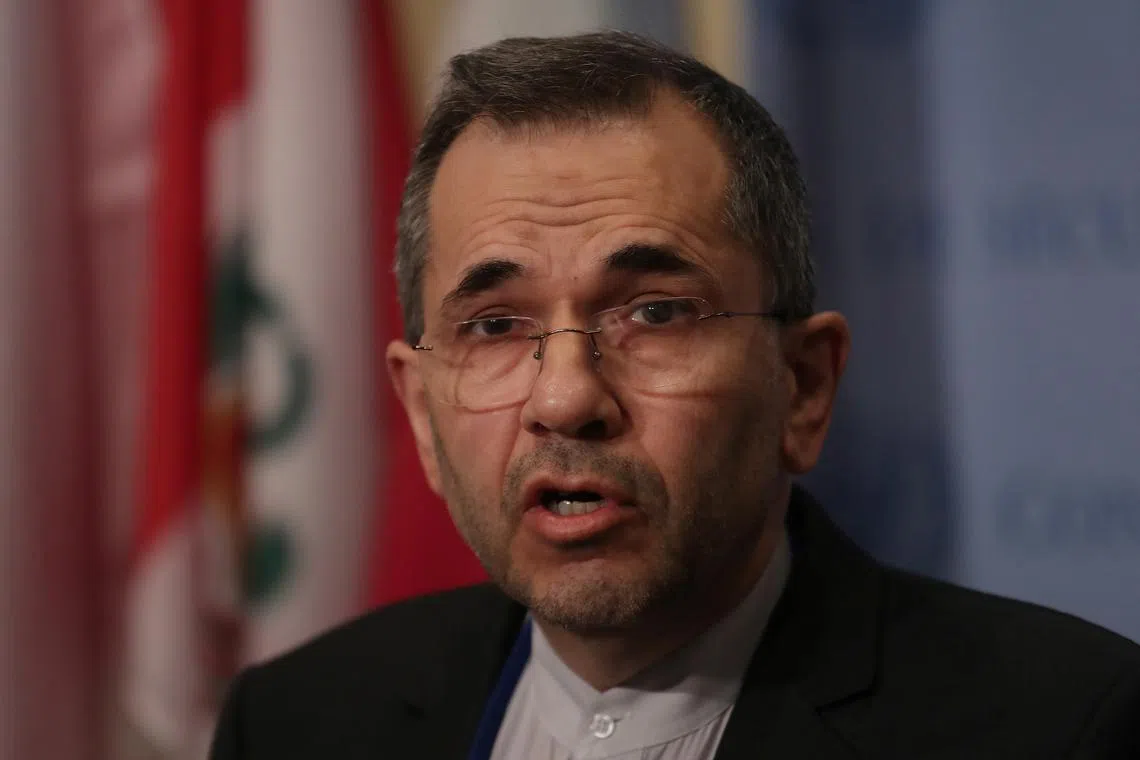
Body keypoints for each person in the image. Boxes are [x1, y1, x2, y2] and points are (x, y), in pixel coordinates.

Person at [210, 31, 1140, 759]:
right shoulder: (298, 723)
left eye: (654, 312)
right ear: (420, 413)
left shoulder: (1062, 728)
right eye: (496, 325)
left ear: (803, 388)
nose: (567, 398)